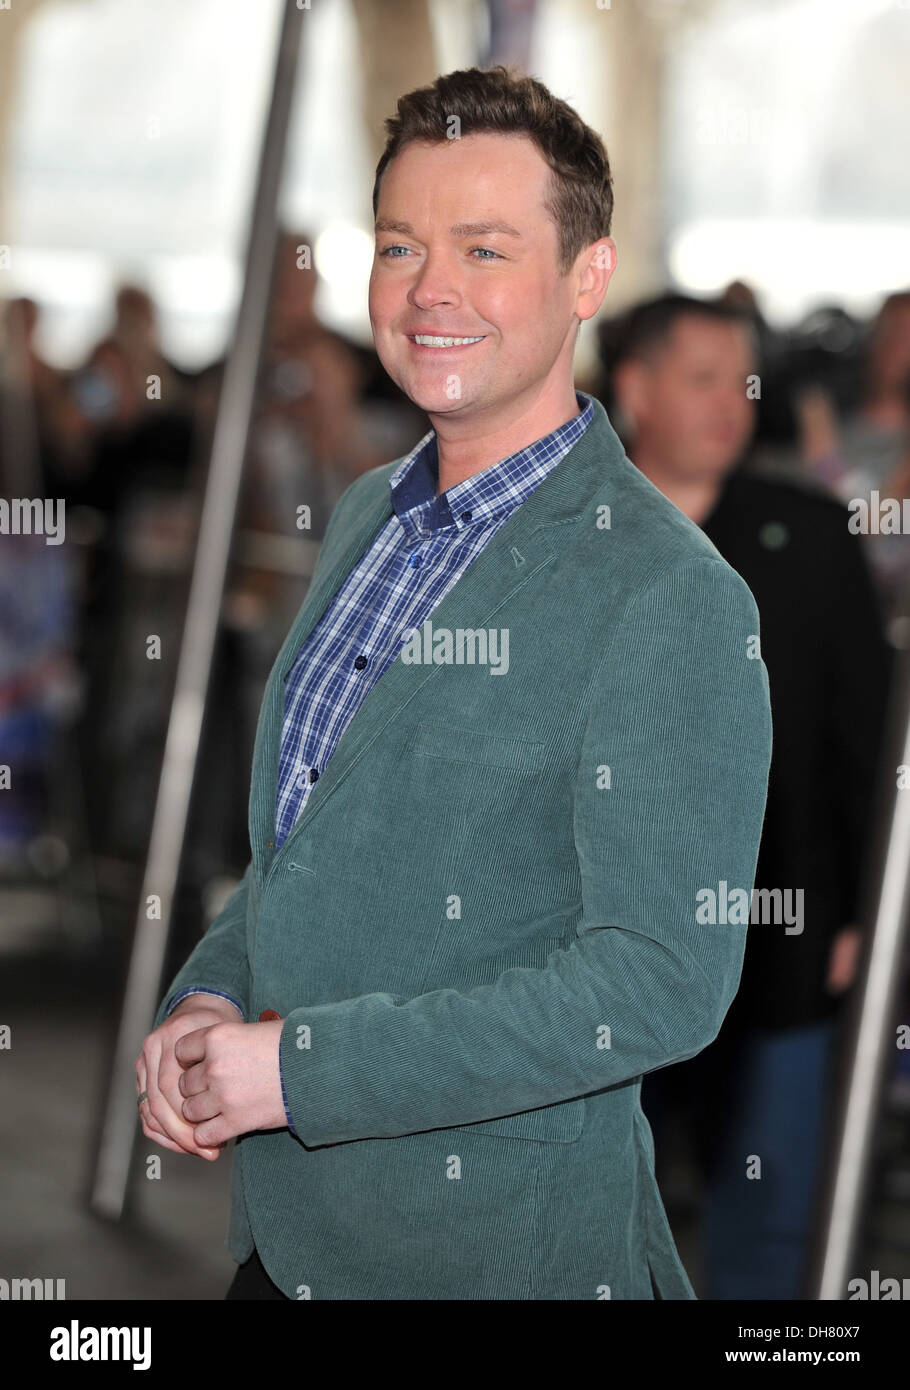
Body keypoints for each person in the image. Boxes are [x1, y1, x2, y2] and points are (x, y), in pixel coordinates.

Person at [136, 66, 772, 1301]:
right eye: (399, 245)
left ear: (587, 278)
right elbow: (308, 845)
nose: (431, 289)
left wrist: (297, 1069)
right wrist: (213, 989)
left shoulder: (670, 598)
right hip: (288, 1239)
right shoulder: (372, 510)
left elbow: (657, 981)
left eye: (485, 248)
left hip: (490, 1259)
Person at [608, 293, 893, 1299]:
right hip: (595, 945)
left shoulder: (808, 536)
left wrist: (867, 912)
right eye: (700, 379)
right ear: (632, 388)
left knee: (772, 1219)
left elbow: (865, 742)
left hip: (784, 938)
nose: (730, 404)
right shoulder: (570, 534)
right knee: (586, 1204)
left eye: (742, 380)